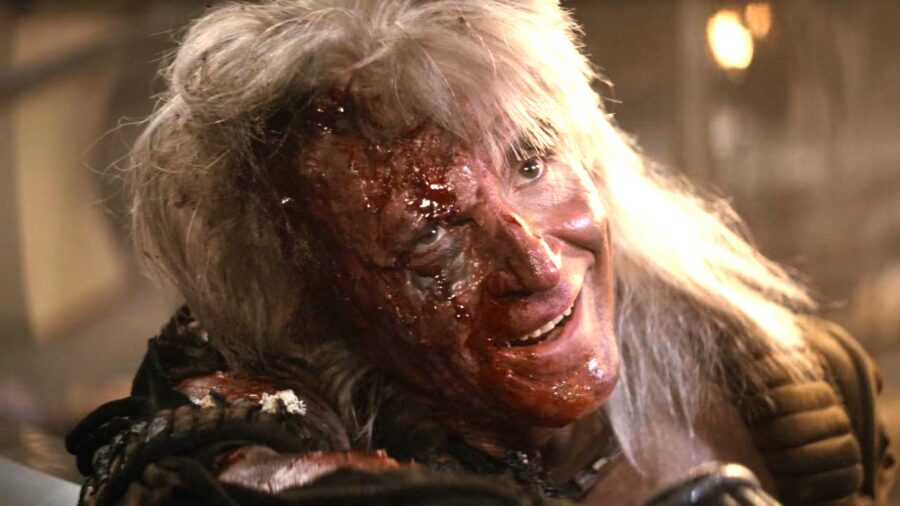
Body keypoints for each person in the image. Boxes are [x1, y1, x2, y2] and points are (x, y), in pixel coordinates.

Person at [66, 1, 894, 504]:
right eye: (431, 235)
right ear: (313, 309)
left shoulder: (806, 386)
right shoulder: (235, 451)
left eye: (532, 164)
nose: (538, 264)